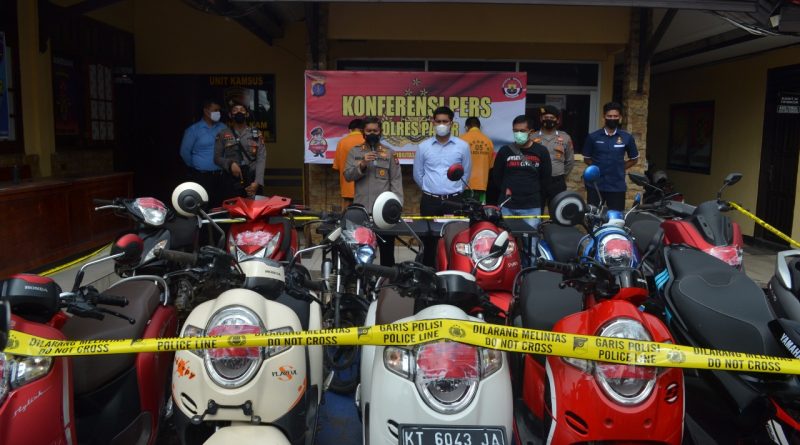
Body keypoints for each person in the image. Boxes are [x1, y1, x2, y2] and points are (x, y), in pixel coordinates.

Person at [413, 106, 472, 267]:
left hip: (454, 201)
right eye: (438, 121)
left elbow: (466, 173)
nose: (441, 124)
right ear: (433, 122)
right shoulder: (423, 147)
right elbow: (418, 174)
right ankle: (428, 273)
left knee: (454, 239)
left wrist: (455, 191)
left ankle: (452, 272)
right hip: (430, 201)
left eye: (445, 121)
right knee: (428, 241)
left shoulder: (462, 146)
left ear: (451, 123)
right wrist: (430, 189)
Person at [344, 117, 403, 266]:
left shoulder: (389, 153)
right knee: (360, 255)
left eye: (375, 131)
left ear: (380, 132)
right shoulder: (354, 151)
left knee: (387, 255)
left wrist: (396, 208)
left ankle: (386, 279)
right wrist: (362, 164)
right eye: (369, 130)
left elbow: (396, 182)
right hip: (361, 212)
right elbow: (348, 176)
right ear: (363, 132)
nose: (372, 133)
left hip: (383, 213)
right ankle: (363, 279)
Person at [492, 115, 551, 262]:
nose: (518, 134)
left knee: (531, 248)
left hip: (531, 207)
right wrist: (506, 190)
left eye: (522, 131)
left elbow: (546, 179)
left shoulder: (541, 151)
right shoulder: (505, 151)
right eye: (515, 131)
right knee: (504, 246)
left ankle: (529, 272)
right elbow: (496, 176)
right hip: (507, 206)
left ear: (531, 132)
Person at [582, 102, 639, 211]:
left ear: (620, 117)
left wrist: (620, 167)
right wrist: (597, 168)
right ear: (604, 117)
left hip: (617, 186)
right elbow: (587, 158)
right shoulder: (593, 137)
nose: (612, 118)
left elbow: (634, 159)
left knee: (616, 218)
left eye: (615, 116)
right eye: (609, 116)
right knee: (593, 216)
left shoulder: (627, 137)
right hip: (596, 186)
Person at [213, 101, 266, 199]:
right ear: (230, 115)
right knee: (233, 207)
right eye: (235, 110)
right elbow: (216, 158)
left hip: (252, 179)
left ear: (247, 114)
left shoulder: (256, 134)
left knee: (255, 206)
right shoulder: (223, 133)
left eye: (242, 110)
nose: (239, 112)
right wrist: (230, 164)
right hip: (232, 180)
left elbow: (261, 158)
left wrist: (257, 182)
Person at [180, 99, 228, 207]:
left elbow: (229, 149)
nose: (218, 113)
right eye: (215, 110)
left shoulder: (223, 128)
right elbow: (184, 152)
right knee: (202, 206)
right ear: (206, 111)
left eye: (219, 110)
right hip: (201, 176)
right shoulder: (193, 130)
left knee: (220, 207)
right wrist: (196, 166)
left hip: (221, 176)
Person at [532, 105, 574, 199]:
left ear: (557, 120)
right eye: (546, 117)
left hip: (557, 181)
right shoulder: (532, 137)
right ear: (541, 119)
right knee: (537, 207)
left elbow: (570, 161)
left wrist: (562, 176)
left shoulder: (565, 137)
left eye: (552, 118)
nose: (549, 120)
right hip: (537, 180)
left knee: (557, 206)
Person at [332, 119, 365, 210]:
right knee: (364, 212)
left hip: (347, 186)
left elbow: (337, 166)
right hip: (365, 187)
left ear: (350, 130)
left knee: (346, 213)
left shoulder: (342, 142)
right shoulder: (367, 141)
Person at [460, 117, 494, 204]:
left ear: (467, 127)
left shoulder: (461, 139)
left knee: (463, 209)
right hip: (481, 184)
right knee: (479, 210)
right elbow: (491, 165)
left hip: (464, 184)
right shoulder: (488, 141)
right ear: (479, 127)